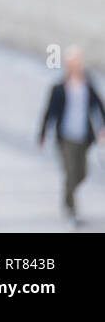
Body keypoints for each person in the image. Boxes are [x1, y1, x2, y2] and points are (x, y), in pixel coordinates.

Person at [38, 46, 105, 225]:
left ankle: (68, 194)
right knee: (70, 172)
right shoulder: (59, 89)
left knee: (81, 173)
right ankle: (71, 209)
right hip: (65, 137)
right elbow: (49, 112)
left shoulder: (87, 87)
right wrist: (43, 134)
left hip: (83, 137)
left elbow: (98, 107)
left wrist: (102, 128)